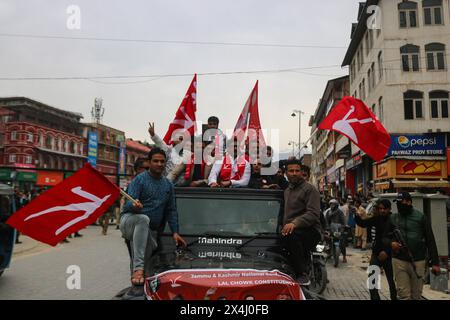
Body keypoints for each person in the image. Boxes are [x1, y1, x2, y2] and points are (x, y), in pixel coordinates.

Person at [120, 148, 187, 286]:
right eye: (155, 161)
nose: (159, 164)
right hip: (130, 222)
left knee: (148, 266)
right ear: (149, 163)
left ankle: (140, 278)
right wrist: (134, 206)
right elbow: (126, 206)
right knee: (143, 219)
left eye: (162, 161)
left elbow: (171, 210)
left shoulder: (168, 185)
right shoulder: (139, 180)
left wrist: (175, 232)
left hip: (150, 231)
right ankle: (137, 269)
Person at [383, 192, 440, 300]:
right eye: (398, 203)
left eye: (401, 202)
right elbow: (384, 238)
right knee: (404, 295)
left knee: (416, 296)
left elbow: (430, 240)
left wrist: (435, 263)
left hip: (418, 261)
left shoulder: (420, 217)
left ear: (409, 202)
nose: (399, 205)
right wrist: (391, 243)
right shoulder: (393, 218)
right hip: (399, 261)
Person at [281, 160, 321, 285]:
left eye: (297, 171)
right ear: (286, 173)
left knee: (291, 235)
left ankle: (302, 274)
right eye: (291, 171)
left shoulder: (310, 189)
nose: (294, 173)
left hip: (311, 231)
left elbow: (313, 214)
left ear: (301, 172)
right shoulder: (287, 191)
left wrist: (294, 223)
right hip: (293, 231)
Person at [355, 199, 397, 300]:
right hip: (376, 254)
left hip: (389, 256)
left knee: (392, 282)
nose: (382, 211)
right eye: (380, 208)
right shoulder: (376, 218)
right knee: (372, 280)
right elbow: (363, 223)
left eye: (384, 209)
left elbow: (396, 238)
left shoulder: (393, 220)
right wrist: (356, 215)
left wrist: (387, 251)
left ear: (389, 209)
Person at [325, 199, 347, 263]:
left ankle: (344, 256)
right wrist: (327, 228)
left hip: (338, 230)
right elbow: (326, 221)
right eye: (331, 204)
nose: (332, 205)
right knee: (326, 239)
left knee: (342, 243)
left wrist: (343, 227)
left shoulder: (340, 212)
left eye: (333, 204)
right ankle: (329, 252)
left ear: (336, 205)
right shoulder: (328, 212)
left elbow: (343, 221)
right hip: (331, 230)